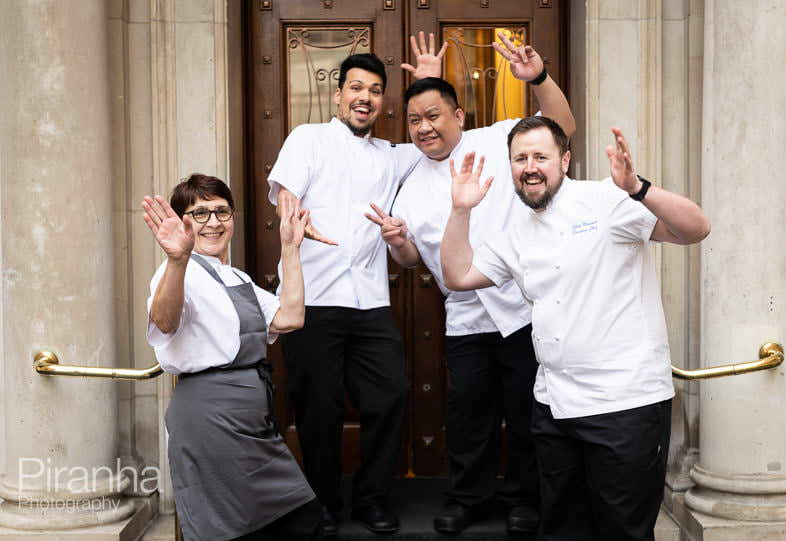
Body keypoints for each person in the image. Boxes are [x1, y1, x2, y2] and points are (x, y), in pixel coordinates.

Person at [440, 117, 711, 540]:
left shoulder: (608, 199)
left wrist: (639, 188)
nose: (530, 166)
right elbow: (458, 275)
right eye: (520, 158)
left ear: (565, 161)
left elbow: (696, 228)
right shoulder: (515, 233)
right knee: (563, 528)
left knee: (623, 531)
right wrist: (461, 210)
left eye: (541, 157)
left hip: (624, 403)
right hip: (554, 407)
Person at [364, 33, 574, 534]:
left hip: (525, 309)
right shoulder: (410, 184)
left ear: (459, 116)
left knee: (528, 411)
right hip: (465, 319)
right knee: (468, 417)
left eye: (434, 115)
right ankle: (466, 498)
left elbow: (562, 128)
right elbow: (413, 258)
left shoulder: (498, 142)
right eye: (415, 120)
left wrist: (538, 78)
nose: (424, 128)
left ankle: (525, 498)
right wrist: (396, 241)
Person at [266, 34, 445, 536]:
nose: (364, 97)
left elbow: (445, 143)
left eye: (374, 90)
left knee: (390, 396)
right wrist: (295, 228)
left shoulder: (394, 155)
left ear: (383, 101)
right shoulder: (307, 138)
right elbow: (286, 195)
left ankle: (372, 498)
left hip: (370, 303)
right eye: (355, 88)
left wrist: (428, 81)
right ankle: (323, 501)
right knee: (318, 407)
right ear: (339, 95)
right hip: (312, 299)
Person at [143, 174, 320, 541]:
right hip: (209, 416)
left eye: (221, 212)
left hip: (250, 417)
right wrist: (177, 260)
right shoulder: (176, 272)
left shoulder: (235, 276)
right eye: (200, 213)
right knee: (234, 530)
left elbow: (290, 318)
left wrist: (290, 248)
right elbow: (164, 320)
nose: (213, 222)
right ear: (181, 222)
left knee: (297, 517)